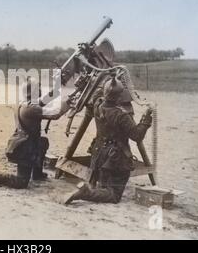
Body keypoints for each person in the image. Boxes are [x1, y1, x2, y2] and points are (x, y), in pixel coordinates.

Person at [65, 76, 153, 204]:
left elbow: (97, 94)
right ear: (119, 97)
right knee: (113, 195)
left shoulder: (97, 105)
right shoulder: (121, 115)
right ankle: (86, 193)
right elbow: (137, 135)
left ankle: (93, 189)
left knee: (104, 185)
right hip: (115, 160)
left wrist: (109, 80)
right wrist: (146, 118)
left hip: (100, 156)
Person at [0, 78, 71, 189]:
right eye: (38, 88)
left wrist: (56, 88)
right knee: (21, 182)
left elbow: (44, 100)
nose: (40, 90)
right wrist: (67, 103)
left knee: (43, 142)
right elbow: (55, 114)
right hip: (25, 147)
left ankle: (37, 174)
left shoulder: (24, 103)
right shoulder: (31, 108)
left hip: (24, 141)